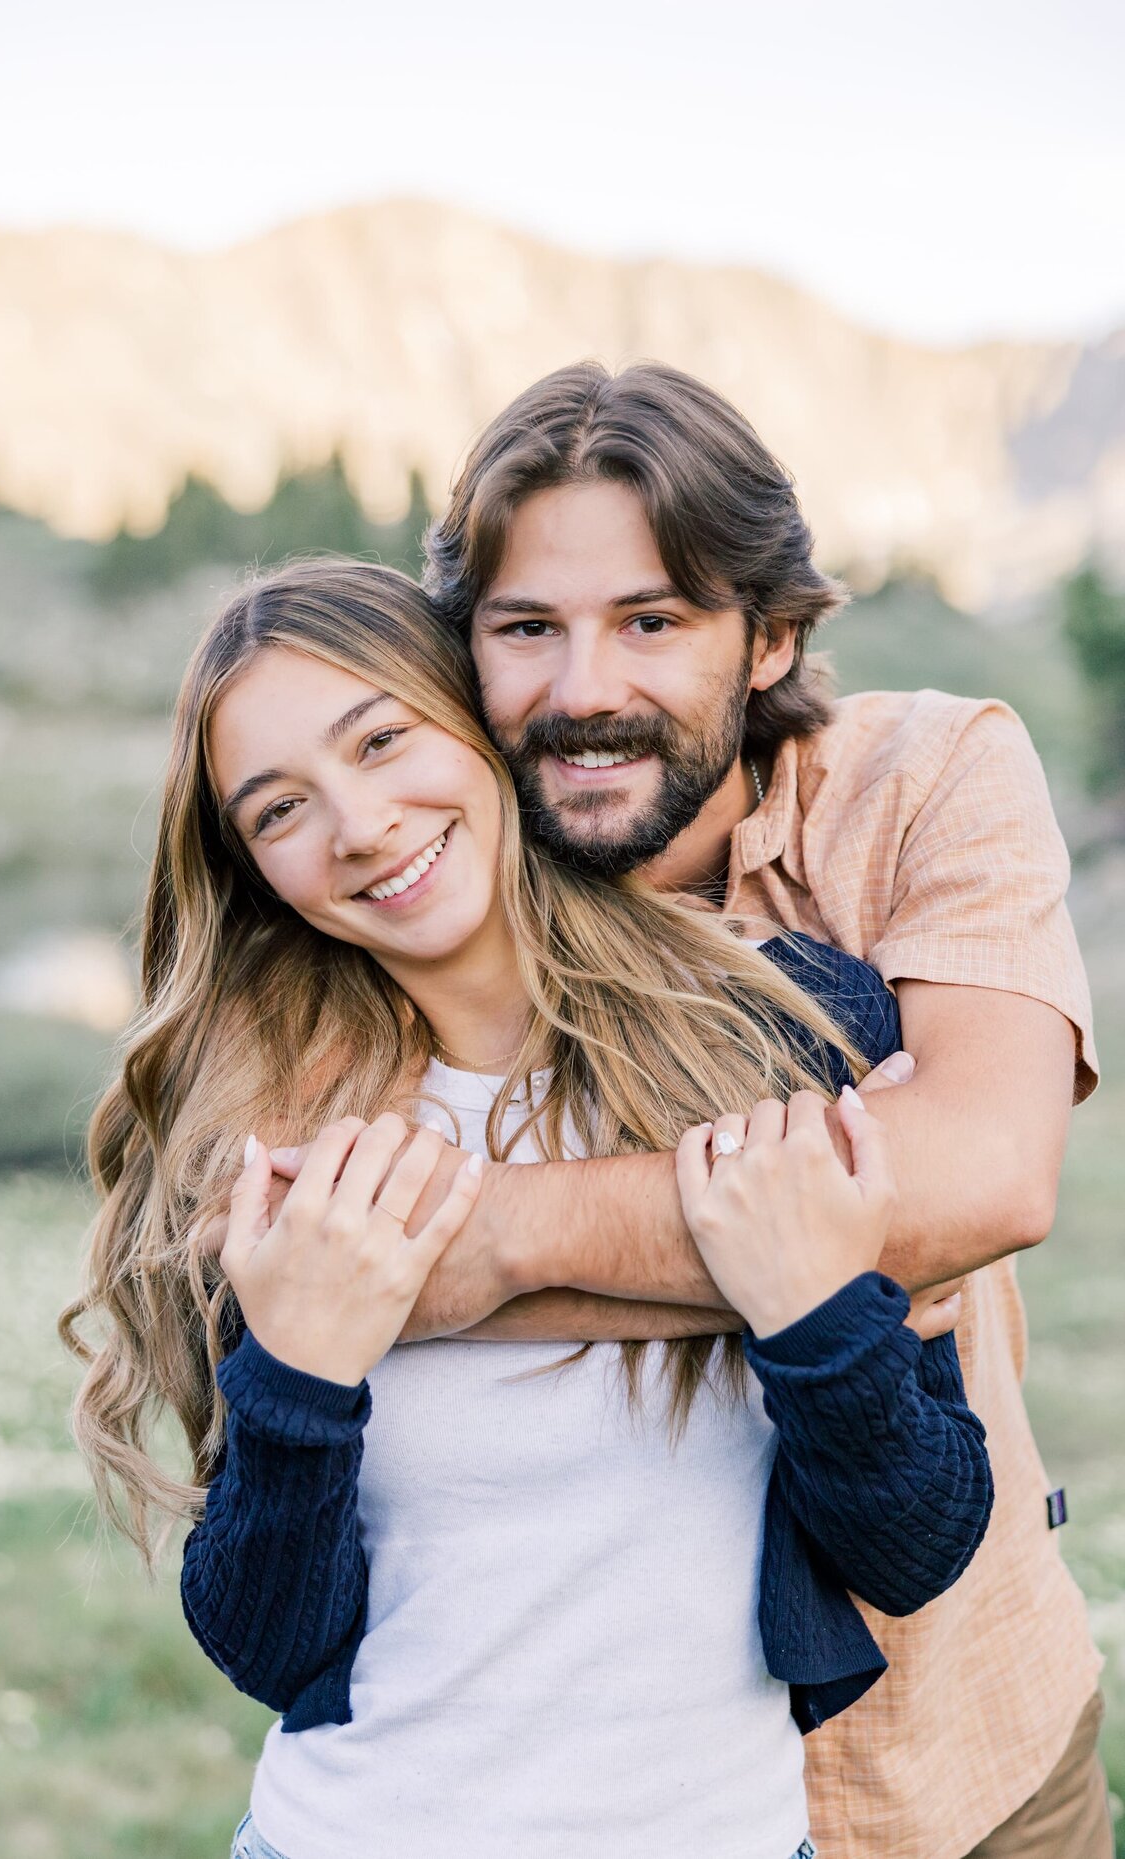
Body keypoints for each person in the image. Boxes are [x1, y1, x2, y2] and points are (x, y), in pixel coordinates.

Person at [62, 560, 991, 1859]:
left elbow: (915, 1550)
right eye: (280, 810)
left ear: (482, 722)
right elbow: (268, 1643)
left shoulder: (787, 1033)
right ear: (254, 869)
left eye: (381, 740)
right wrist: (300, 1377)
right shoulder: (280, 1145)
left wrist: (815, 1319)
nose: (361, 825)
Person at [389, 358, 1107, 1859]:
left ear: (770, 635)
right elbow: (259, 1272)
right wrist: (838, 1248)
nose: (584, 691)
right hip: (593, 1800)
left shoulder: (924, 777)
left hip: (967, 1746)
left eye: (651, 621)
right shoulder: (411, 872)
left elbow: (982, 1177)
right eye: (527, 628)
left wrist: (490, 1245)